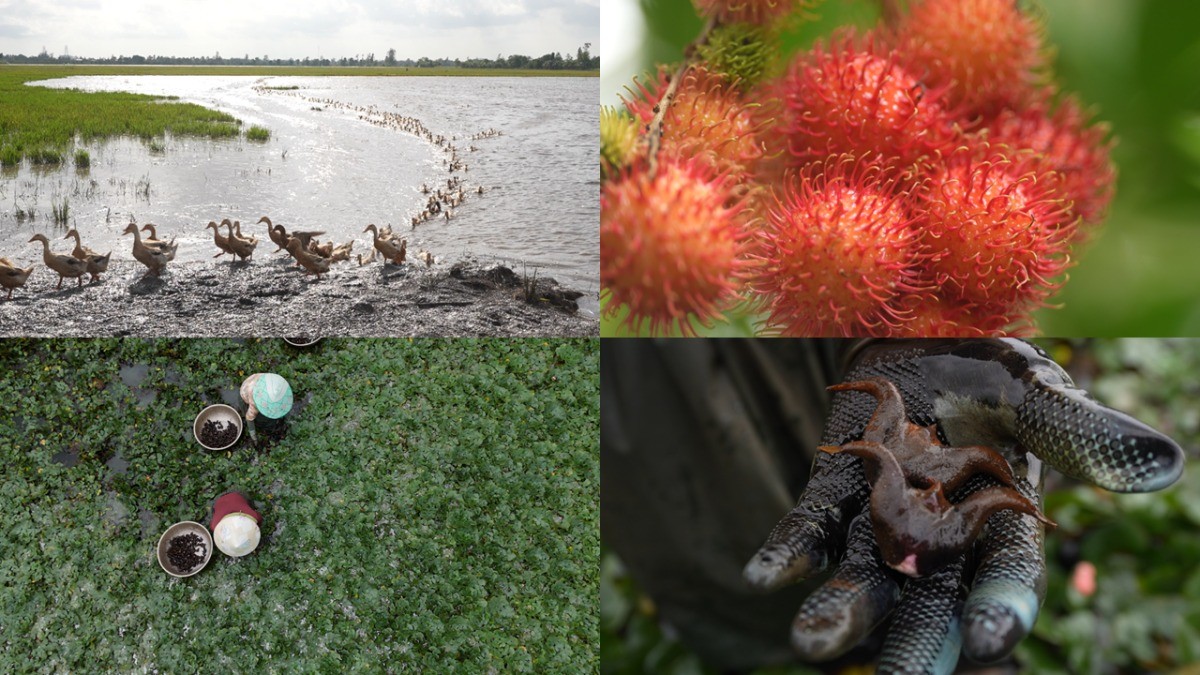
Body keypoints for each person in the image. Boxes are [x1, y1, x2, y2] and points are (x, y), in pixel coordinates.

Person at [601, 339, 1184, 673]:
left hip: (810, 377)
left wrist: (915, 332)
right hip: (681, 509)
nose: (933, 497)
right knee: (803, 619)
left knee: (957, 634)